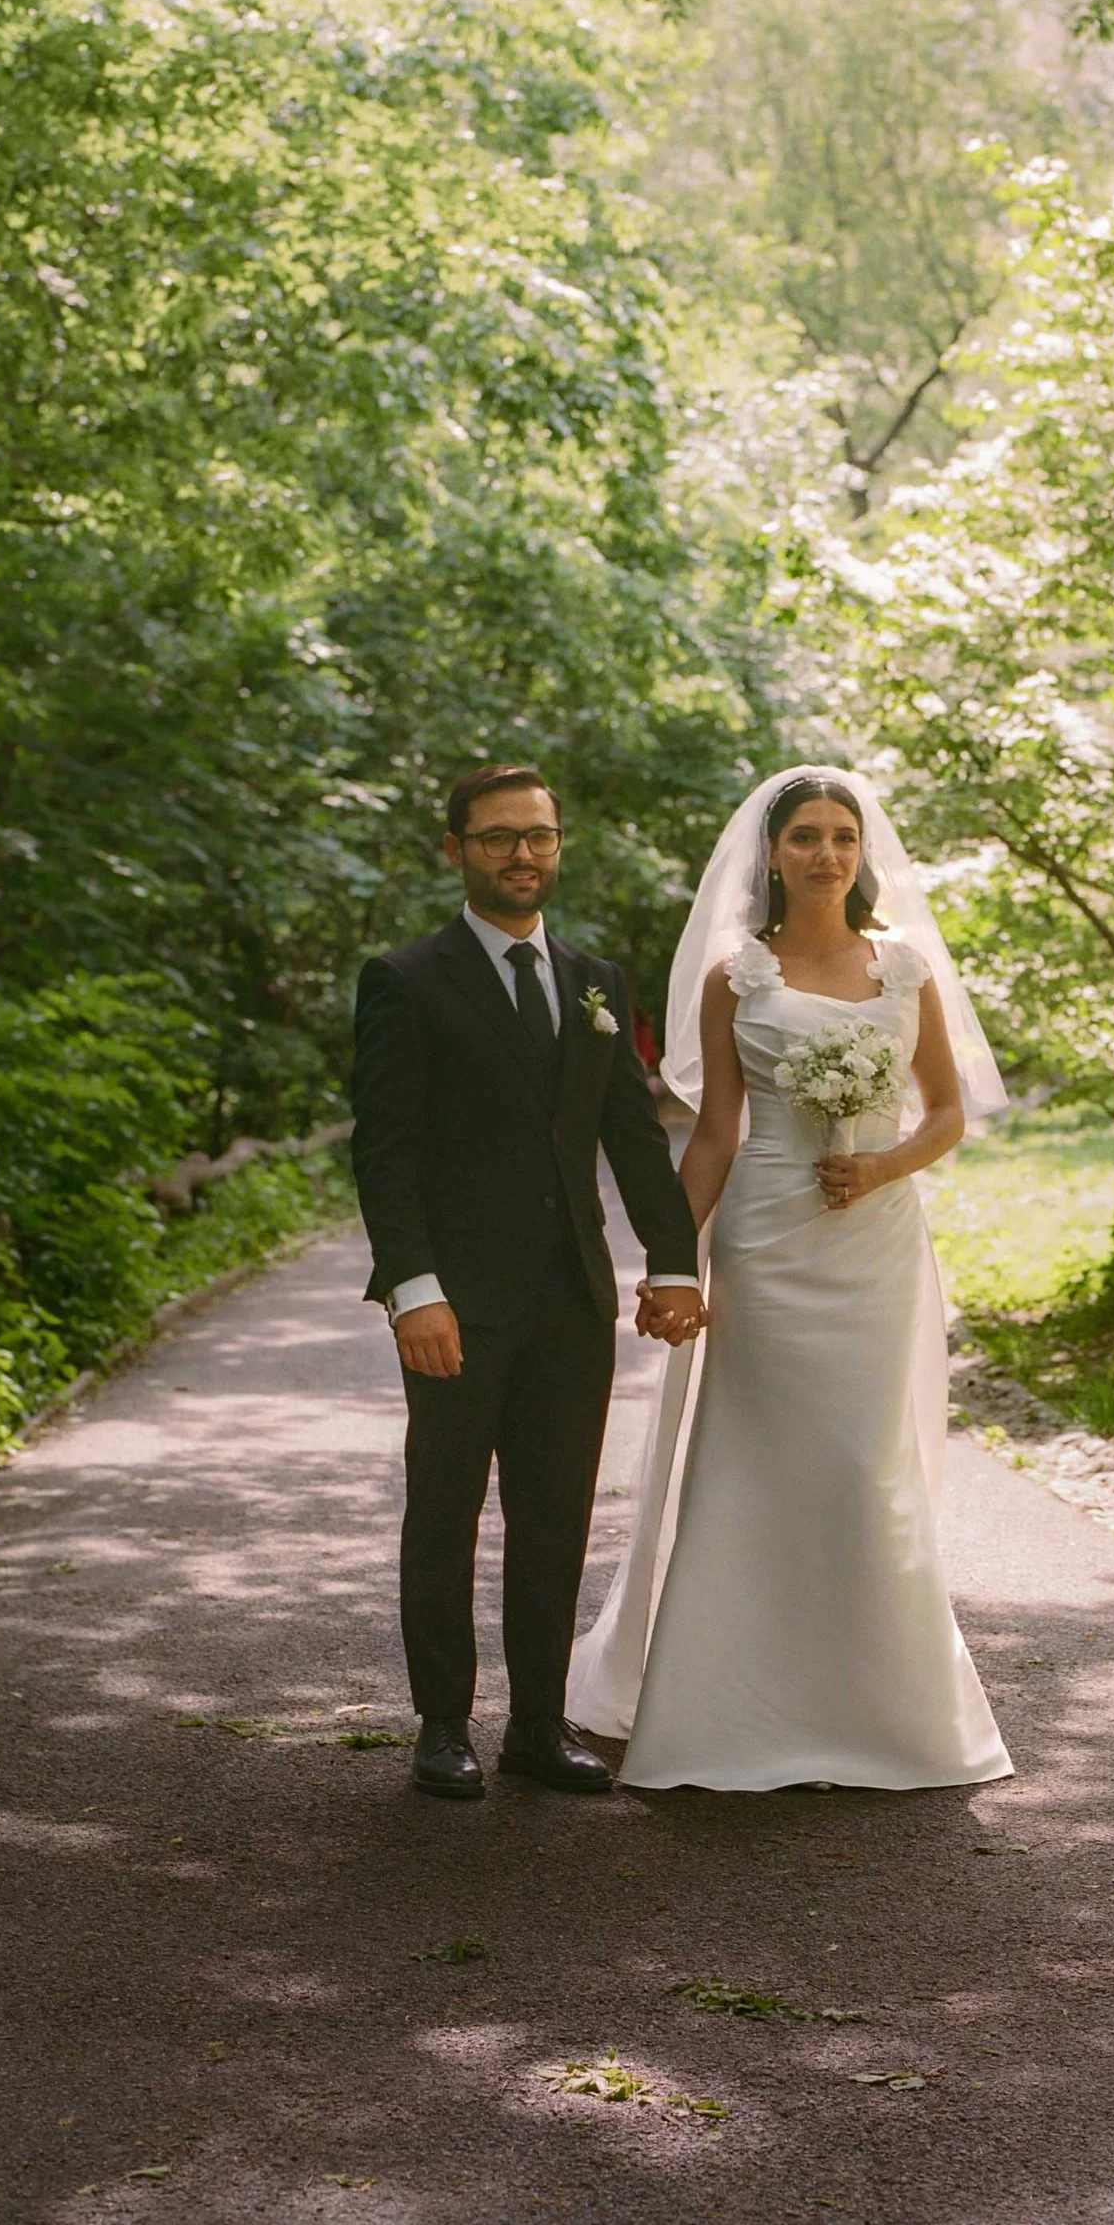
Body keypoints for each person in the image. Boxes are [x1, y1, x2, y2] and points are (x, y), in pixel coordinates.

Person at [568, 766, 1013, 1791]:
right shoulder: (738, 976)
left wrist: (884, 1165)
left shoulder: (903, 969)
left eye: (842, 837)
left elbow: (943, 1111)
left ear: (863, 853)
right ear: (770, 854)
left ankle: (876, 1715)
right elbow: (717, 1130)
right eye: (805, 836)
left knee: (865, 1463)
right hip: (767, 1234)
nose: (826, 854)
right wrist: (672, 1264)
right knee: (752, 1461)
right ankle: (729, 1710)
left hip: (874, 1240)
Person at [350, 765, 704, 1800]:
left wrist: (672, 1261)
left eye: (539, 836)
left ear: (560, 844)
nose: (522, 855)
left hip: (570, 1302)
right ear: (454, 847)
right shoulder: (406, 979)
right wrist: (412, 1288)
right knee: (446, 1508)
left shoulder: (595, 979)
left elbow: (634, 1141)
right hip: (455, 1304)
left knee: (555, 1514)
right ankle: (444, 1724)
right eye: (499, 837)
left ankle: (539, 1728)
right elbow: (387, 1150)